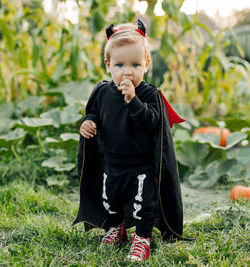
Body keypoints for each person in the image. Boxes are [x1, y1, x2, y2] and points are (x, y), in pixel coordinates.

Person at [73, 18, 185, 262]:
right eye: (120, 64)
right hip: (110, 163)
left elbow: (151, 122)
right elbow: (94, 114)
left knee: (143, 204)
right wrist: (87, 123)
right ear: (108, 65)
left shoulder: (148, 94)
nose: (127, 71)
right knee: (110, 200)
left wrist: (133, 100)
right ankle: (117, 228)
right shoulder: (102, 92)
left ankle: (142, 238)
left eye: (135, 64)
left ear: (146, 64)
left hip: (140, 165)